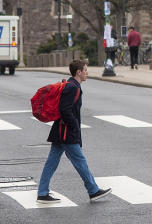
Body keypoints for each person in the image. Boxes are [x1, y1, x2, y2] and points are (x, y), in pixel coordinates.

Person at [36, 60, 111, 204]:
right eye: (86, 70)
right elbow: (65, 110)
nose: (87, 73)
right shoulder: (73, 88)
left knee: (51, 162)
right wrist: (74, 126)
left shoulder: (71, 85)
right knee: (80, 161)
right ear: (79, 72)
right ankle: (93, 190)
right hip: (66, 133)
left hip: (60, 131)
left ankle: (42, 192)